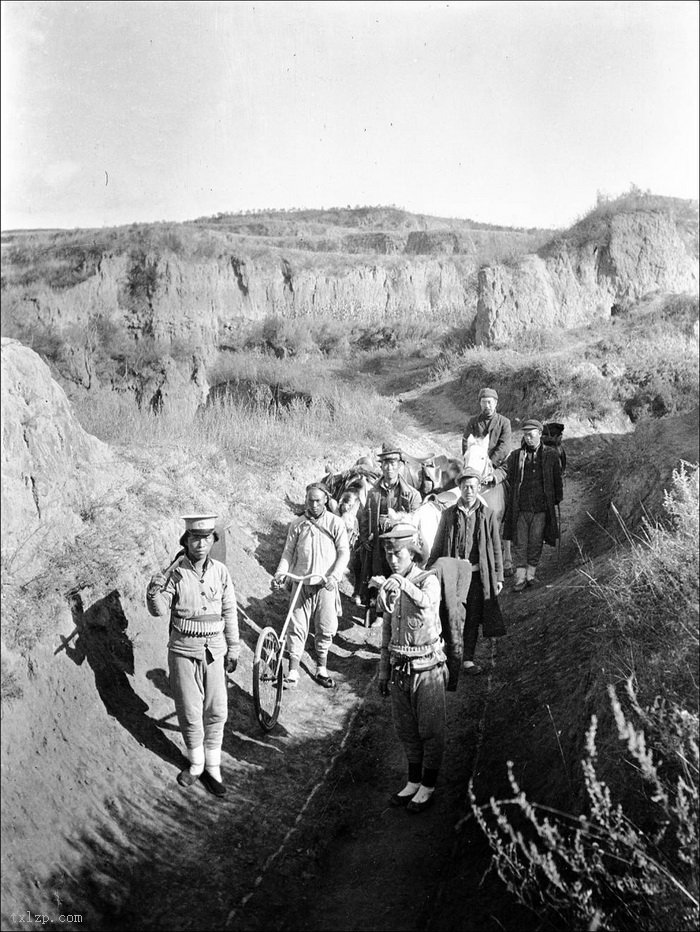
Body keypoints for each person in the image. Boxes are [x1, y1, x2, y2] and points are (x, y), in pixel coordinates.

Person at [146, 514, 239, 798]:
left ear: (213, 541)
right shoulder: (174, 573)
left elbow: (229, 611)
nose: (200, 544)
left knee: (217, 710)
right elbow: (159, 610)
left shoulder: (221, 572)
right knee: (189, 710)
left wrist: (233, 647)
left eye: (206, 538)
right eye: (195, 539)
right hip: (183, 650)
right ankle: (196, 763)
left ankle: (213, 767)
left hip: (214, 650)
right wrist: (153, 590)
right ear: (186, 541)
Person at [375, 522, 448, 814]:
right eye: (390, 555)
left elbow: (428, 604)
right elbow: (387, 631)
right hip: (398, 668)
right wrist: (382, 671)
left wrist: (401, 583)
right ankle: (414, 780)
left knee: (431, 730)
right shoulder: (391, 584)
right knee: (406, 730)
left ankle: (428, 785)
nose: (393, 560)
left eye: (399, 554)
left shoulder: (428, 579)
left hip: (427, 667)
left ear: (413, 552)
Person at [427, 467, 505, 676]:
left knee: (473, 616)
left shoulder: (487, 514)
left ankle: (467, 659)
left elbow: (496, 547)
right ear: (459, 488)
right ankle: (449, 656)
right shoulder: (448, 514)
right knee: (450, 614)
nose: (468, 491)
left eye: (472, 487)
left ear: (479, 488)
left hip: (478, 575)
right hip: (454, 575)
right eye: (465, 486)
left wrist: (498, 576)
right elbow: (438, 544)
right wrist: (429, 571)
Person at [272, 482, 350, 688]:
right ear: (306, 500)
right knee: (296, 626)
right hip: (301, 583)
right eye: (310, 500)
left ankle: (321, 668)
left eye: (318, 500)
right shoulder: (297, 524)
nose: (314, 504)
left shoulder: (335, 523)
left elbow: (344, 552)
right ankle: (292, 671)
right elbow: (288, 552)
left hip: (325, 584)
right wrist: (281, 573)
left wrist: (334, 576)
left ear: (325, 500)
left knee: (326, 626)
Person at [498, 418, 563, 591]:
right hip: (520, 508)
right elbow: (503, 470)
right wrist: (493, 477)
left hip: (541, 509)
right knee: (520, 542)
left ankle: (531, 575)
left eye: (531, 435)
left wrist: (557, 497)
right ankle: (520, 578)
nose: (528, 438)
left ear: (540, 434)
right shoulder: (516, 456)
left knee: (535, 542)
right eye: (525, 435)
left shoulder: (551, 455)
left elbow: (557, 479)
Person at [357, 443, 422, 607]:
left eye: (393, 463)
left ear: (399, 466)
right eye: (385, 463)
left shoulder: (411, 494)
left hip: (401, 546)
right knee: (377, 574)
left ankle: (400, 607)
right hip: (379, 543)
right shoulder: (373, 493)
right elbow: (365, 517)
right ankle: (379, 610)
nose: (389, 468)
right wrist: (365, 538)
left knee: (399, 577)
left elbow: (416, 522)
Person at [461, 387, 512, 468]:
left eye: (489, 402)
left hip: (497, 465)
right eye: (483, 402)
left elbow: (504, 446)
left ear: (495, 403)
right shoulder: (473, 422)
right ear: (480, 404)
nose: (486, 406)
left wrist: (490, 463)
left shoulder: (504, 422)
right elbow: (466, 442)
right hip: (476, 464)